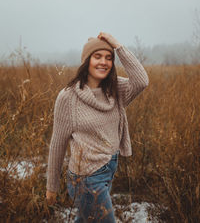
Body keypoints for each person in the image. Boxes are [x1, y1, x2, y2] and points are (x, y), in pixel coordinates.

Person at [46, 32, 149, 222]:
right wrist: (51, 187)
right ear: (86, 61)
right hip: (85, 178)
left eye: (109, 58)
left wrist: (117, 46)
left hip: (108, 170)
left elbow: (141, 81)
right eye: (98, 56)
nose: (104, 62)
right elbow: (57, 144)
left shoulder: (115, 89)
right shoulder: (68, 97)